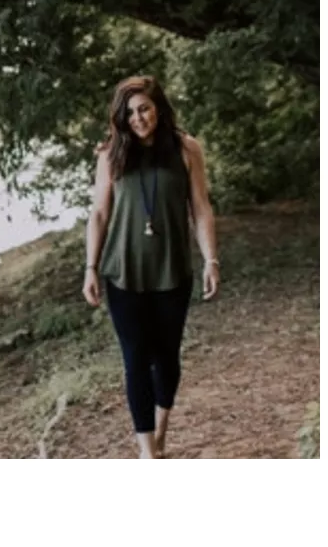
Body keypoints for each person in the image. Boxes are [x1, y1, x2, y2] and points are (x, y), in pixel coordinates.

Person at [83, 75, 219, 459]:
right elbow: (98, 213)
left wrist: (211, 259)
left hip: (172, 270)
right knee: (136, 359)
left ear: (158, 106)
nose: (139, 118)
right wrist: (90, 267)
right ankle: (147, 452)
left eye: (144, 108)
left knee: (167, 357)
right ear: (120, 118)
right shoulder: (111, 155)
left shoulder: (186, 148)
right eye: (130, 112)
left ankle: (160, 429)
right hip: (123, 272)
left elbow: (201, 207)